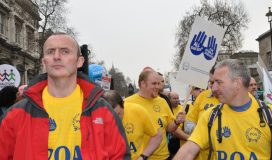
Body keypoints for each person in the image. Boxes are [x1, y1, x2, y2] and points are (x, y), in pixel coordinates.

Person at [0, 32, 131, 159]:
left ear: (79, 61)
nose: (56, 56)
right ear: (44, 62)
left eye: (65, 51)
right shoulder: (16, 114)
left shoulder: (103, 111)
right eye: (50, 52)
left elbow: (119, 155)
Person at [174, 59, 272, 160]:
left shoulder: (270, 115)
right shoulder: (211, 115)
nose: (213, 88)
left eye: (219, 82)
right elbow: (189, 150)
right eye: (212, 83)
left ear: (237, 83)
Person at [124, 70, 185, 160]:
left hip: (163, 157)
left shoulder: (162, 101)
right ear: (143, 83)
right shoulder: (127, 103)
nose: (158, 87)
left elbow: (169, 128)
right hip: (140, 158)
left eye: (158, 83)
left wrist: (177, 121)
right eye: (154, 84)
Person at [103, 90, 162, 160]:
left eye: (118, 114)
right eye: (111, 116)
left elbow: (157, 135)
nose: (115, 119)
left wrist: (143, 157)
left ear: (123, 105)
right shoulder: (95, 117)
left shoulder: (138, 111)